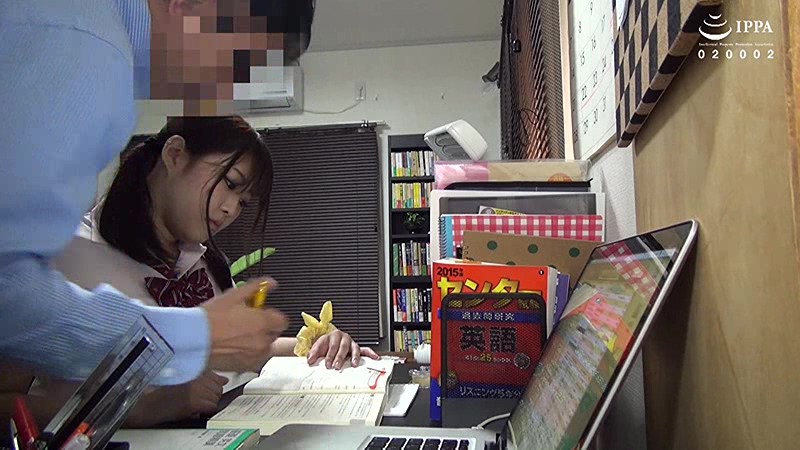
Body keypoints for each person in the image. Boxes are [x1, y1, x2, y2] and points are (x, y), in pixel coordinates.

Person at [0, 0, 317, 385]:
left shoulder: (203, 261)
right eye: (233, 63)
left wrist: (308, 345)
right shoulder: (89, 48)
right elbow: (8, 294)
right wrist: (190, 340)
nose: (225, 91)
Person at [1, 116, 376, 427]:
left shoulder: (207, 261)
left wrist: (312, 347)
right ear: (175, 154)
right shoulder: (63, 253)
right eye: (230, 184)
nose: (231, 209)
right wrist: (138, 409)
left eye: (243, 202)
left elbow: (232, 351)